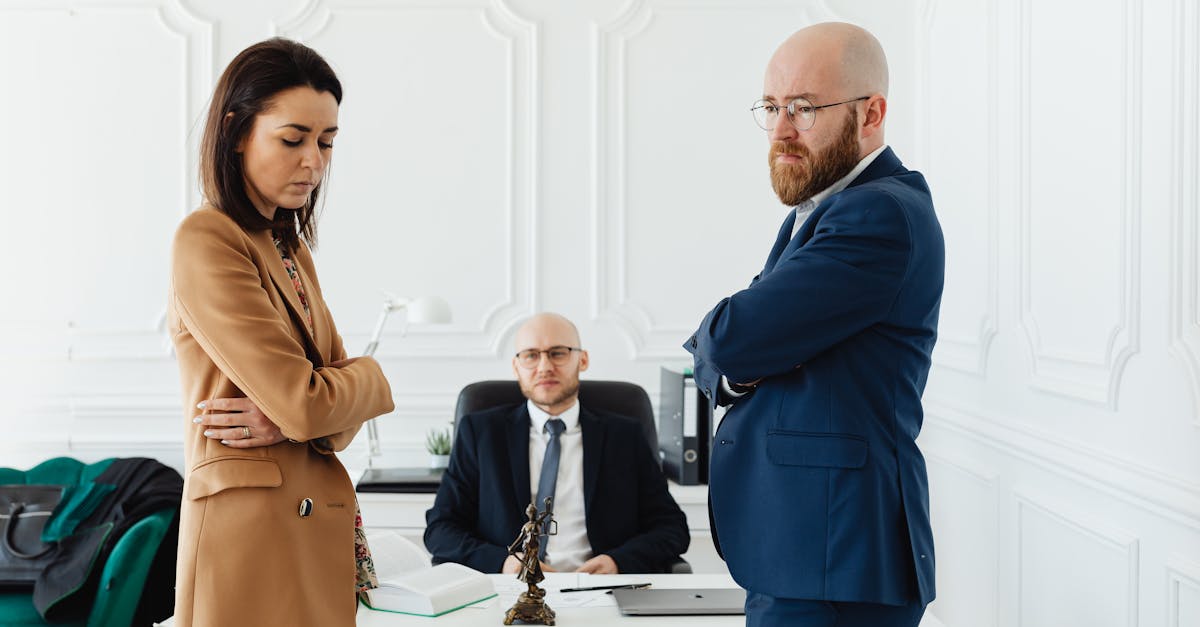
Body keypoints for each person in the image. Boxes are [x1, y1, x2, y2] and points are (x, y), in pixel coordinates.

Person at [683, 22, 943, 627]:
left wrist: (738, 358)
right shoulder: (824, 207)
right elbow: (744, 340)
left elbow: (728, 338)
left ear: (871, 113)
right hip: (810, 550)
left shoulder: (877, 213)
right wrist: (745, 354)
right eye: (772, 107)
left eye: (803, 108)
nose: (781, 130)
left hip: (833, 555)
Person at [169, 38, 395, 627]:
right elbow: (307, 404)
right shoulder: (208, 238)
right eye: (293, 140)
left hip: (303, 523)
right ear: (237, 130)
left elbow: (321, 418)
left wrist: (316, 407)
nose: (314, 162)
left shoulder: (289, 246)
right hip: (252, 537)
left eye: (326, 143)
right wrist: (358, 384)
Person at [425, 313, 689, 574]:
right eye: (531, 355)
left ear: (582, 360)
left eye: (558, 353)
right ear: (516, 367)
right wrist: (505, 563)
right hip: (510, 591)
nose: (544, 367)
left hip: (601, 589)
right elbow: (441, 530)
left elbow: (671, 528)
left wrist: (618, 562)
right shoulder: (481, 433)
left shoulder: (625, 435)